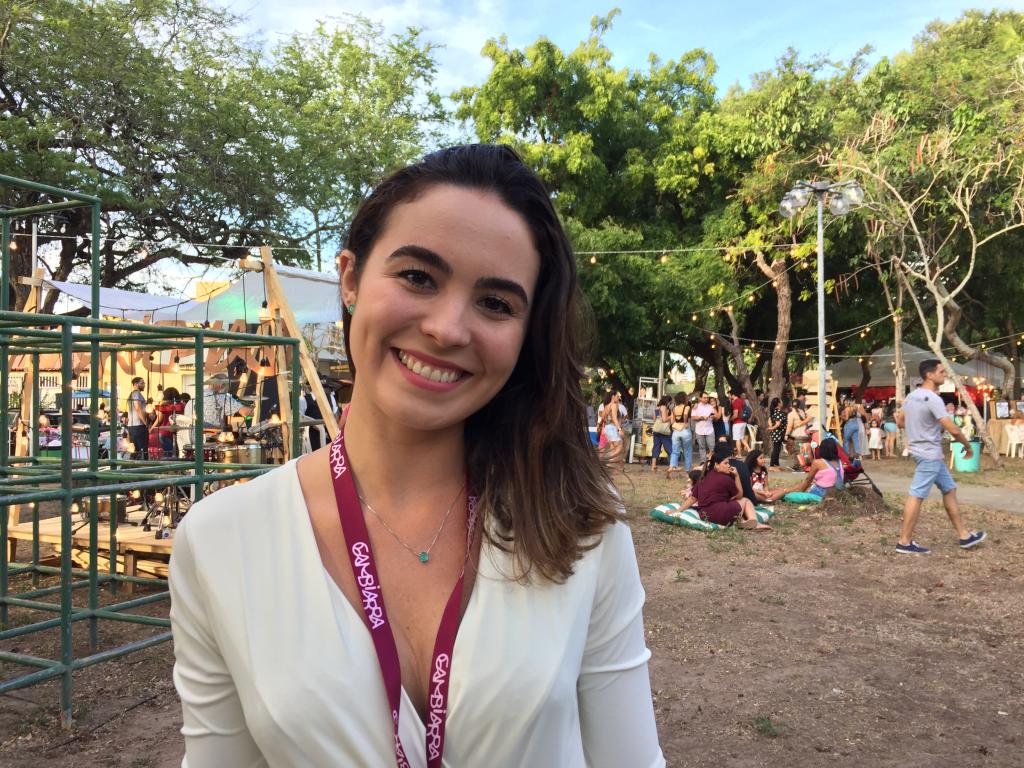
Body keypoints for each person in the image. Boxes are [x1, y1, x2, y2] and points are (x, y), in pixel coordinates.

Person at [169, 144, 665, 767]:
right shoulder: (220, 541)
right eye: (418, 277)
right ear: (350, 279)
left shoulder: (577, 523)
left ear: (525, 335)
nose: (447, 328)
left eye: (496, 303)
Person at [894, 359, 986, 555]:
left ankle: (964, 535)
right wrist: (968, 446)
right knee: (916, 495)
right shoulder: (933, 399)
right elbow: (953, 429)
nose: (945, 375)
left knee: (949, 489)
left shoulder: (911, 396)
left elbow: (900, 423)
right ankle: (904, 542)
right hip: (929, 454)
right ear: (930, 375)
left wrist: (921, 425)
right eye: (942, 372)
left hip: (921, 452)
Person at [680, 445, 770, 530]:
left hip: (705, 515)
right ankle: (755, 522)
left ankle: (742, 521)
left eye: (728, 463)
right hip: (721, 514)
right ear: (717, 465)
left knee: (730, 502)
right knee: (745, 500)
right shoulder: (726, 479)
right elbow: (739, 495)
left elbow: (693, 498)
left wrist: (678, 510)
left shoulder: (704, 477)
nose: (729, 465)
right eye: (726, 463)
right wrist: (736, 476)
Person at [780, 437, 845, 500]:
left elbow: (808, 481)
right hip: (837, 493)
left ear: (822, 450)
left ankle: (783, 492)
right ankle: (784, 491)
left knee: (788, 493)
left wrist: (798, 491)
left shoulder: (817, 462)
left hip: (822, 493)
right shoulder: (839, 462)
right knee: (810, 483)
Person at [666, 391, 692, 478]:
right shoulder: (686, 407)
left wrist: (675, 426)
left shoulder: (674, 408)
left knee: (675, 451)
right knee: (687, 451)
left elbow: (672, 421)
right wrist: (685, 422)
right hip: (685, 430)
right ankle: (688, 471)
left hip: (676, 431)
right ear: (684, 398)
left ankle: (671, 467)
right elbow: (685, 414)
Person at [600, 390, 625, 472]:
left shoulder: (607, 406)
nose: (618, 398)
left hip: (607, 428)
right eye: (617, 396)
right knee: (619, 448)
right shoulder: (614, 405)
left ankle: (618, 468)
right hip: (613, 428)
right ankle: (608, 465)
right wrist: (619, 429)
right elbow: (614, 418)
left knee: (613, 449)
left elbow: (603, 418)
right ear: (613, 397)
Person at [125, 376, 148, 460]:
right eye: (142, 383)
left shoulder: (132, 394)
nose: (144, 385)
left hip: (133, 426)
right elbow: (138, 408)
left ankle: (134, 466)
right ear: (136, 384)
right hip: (138, 426)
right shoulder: (136, 394)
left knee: (135, 451)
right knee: (141, 451)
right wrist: (145, 423)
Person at [691, 391, 716, 462]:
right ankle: (703, 462)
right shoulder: (696, 407)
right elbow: (693, 417)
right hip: (699, 430)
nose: (706, 399)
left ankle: (712, 462)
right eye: (704, 398)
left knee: (712, 447)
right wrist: (702, 417)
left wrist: (713, 417)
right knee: (702, 447)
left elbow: (714, 416)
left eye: (707, 398)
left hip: (709, 429)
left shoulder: (710, 407)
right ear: (700, 398)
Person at [650, 395, 673, 472]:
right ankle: (672, 465)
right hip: (664, 432)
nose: (670, 403)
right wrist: (672, 416)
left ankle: (653, 466)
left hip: (656, 430)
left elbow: (654, 419)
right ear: (667, 401)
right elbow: (664, 420)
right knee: (669, 448)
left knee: (656, 447)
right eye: (670, 402)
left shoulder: (657, 408)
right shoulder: (664, 407)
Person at [767, 397, 786, 471]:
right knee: (776, 449)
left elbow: (769, 420)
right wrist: (771, 428)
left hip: (776, 433)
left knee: (777, 449)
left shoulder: (774, 412)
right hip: (778, 433)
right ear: (778, 403)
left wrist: (771, 427)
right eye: (781, 401)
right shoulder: (778, 412)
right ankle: (771, 465)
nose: (782, 402)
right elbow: (778, 424)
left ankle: (776, 464)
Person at [730, 390, 750, 457]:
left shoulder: (735, 402)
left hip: (737, 423)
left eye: (729, 395)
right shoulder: (742, 401)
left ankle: (739, 454)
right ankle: (749, 449)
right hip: (743, 422)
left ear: (733, 395)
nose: (729, 396)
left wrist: (730, 419)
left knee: (737, 439)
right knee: (742, 438)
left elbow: (735, 415)